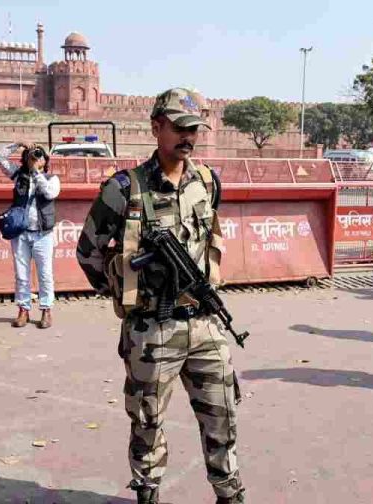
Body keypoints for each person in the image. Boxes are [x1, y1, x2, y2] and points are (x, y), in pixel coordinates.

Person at [76, 88, 244, 504]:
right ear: (156, 127)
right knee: (147, 423)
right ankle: (148, 493)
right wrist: (126, 293)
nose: (188, 137)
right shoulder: (124, 188)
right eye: (180, 128)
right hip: (151, 331)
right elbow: (88, 252)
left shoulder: (207, 181)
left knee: (222, 417)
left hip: (205, 324)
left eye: (194, 129)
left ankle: (229, 493)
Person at [0, 141, 60, 329]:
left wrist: (36, 172)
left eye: (39, 155)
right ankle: (23, 310)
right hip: (20, 234)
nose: (36, 158)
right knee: (22, 275)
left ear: (45, 160)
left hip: (43, 234)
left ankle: (46, 310)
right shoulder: (18, 176)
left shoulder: (52, 179)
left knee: (45, 274)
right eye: (32, 155)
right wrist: (19, 144)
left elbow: (49, 193)